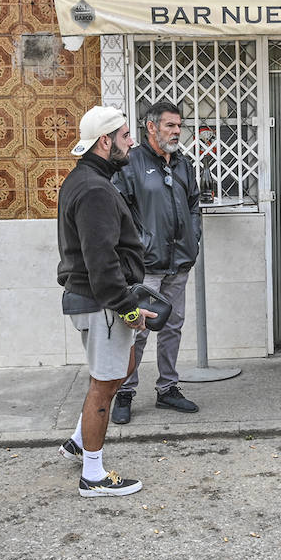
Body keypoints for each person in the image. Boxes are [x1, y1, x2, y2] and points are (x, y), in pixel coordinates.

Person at [54, 105, 153, 496]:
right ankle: (92, 476)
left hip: (97, 299)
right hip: (102, 302)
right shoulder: (94, 189)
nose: (131, 142)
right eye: (126, 135)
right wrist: (126, 306)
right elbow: (101, 259)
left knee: (121, 366)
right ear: (105, 140)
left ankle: (78, 442)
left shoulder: (88, 180)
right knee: (105, 381)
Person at [109, 100, 202, 424]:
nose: (177, 132)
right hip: (145, 266)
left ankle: (168, 389)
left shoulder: (182, 164)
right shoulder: (130, 164)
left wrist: (194, 238)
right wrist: (135, 249)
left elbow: (194, 204)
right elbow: (119, 212)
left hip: (179, 262)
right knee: (137, 330)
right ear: (151, 127)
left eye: (179, 126)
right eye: (170, 126)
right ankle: (124, 392)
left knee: (172, 327)